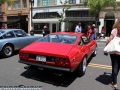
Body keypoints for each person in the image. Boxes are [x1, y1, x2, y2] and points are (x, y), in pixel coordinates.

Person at [105, 19, 120, 89]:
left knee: (115, 65)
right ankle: (115, 77)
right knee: (118, 66)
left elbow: (110, 39)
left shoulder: (115, 30)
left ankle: (114, 83)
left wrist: (106, 45)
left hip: (114, 51)